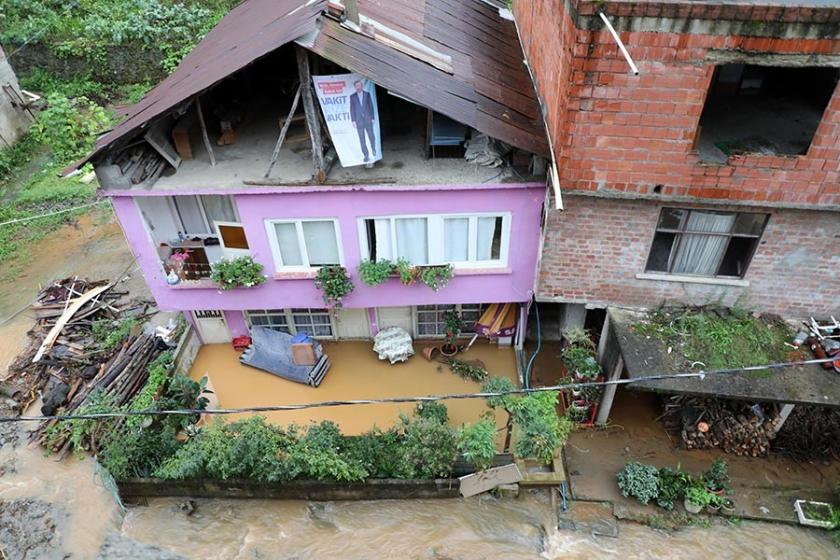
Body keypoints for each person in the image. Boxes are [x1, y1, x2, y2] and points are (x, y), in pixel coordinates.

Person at [349, 79, 376, 162]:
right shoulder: (352, 97)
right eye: (356, 86)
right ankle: (366, 155)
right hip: (359, 121)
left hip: (368, 119)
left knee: (371, 136)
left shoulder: (367, 94)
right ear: (355, 87)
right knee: (362, 139)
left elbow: (371, 106)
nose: (358, 87)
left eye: (359, 85)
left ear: (362, 86)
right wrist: (353, 121)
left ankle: (373, 148)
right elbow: (352, 109)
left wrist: (372, 117)